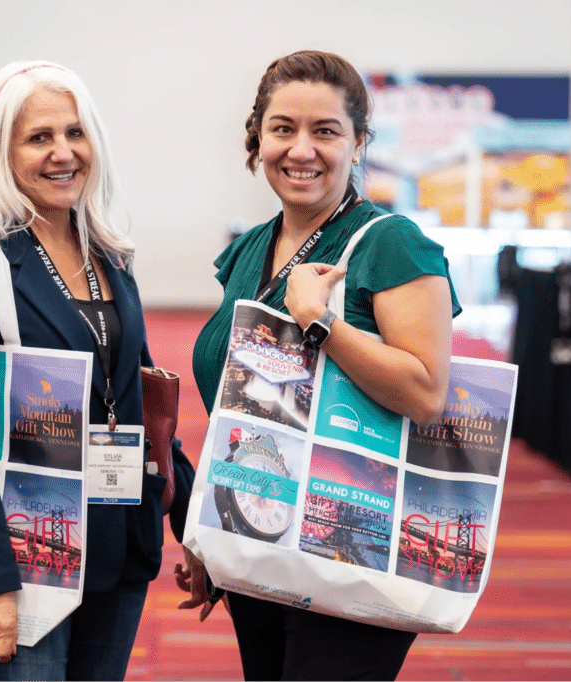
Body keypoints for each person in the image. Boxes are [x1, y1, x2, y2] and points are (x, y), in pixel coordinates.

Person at [177, 50, 462, 681]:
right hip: (260, 537)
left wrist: (321, 321)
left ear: (359, 143)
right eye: (282, 129)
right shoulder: (252, 248)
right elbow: (236, 411)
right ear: (258, 138)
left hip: (352, 545)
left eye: (325, 131)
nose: (301, 149)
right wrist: (209, 534)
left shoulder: (391, 243)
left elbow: (425, 392)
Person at [0, 60, 193, 682]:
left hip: (117, 544)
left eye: (75, 133)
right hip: (26, 558)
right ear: (1, 151)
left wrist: (192, 525)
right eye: (39, 138)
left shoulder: (109, 253)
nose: (63, 153)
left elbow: (138, 398)